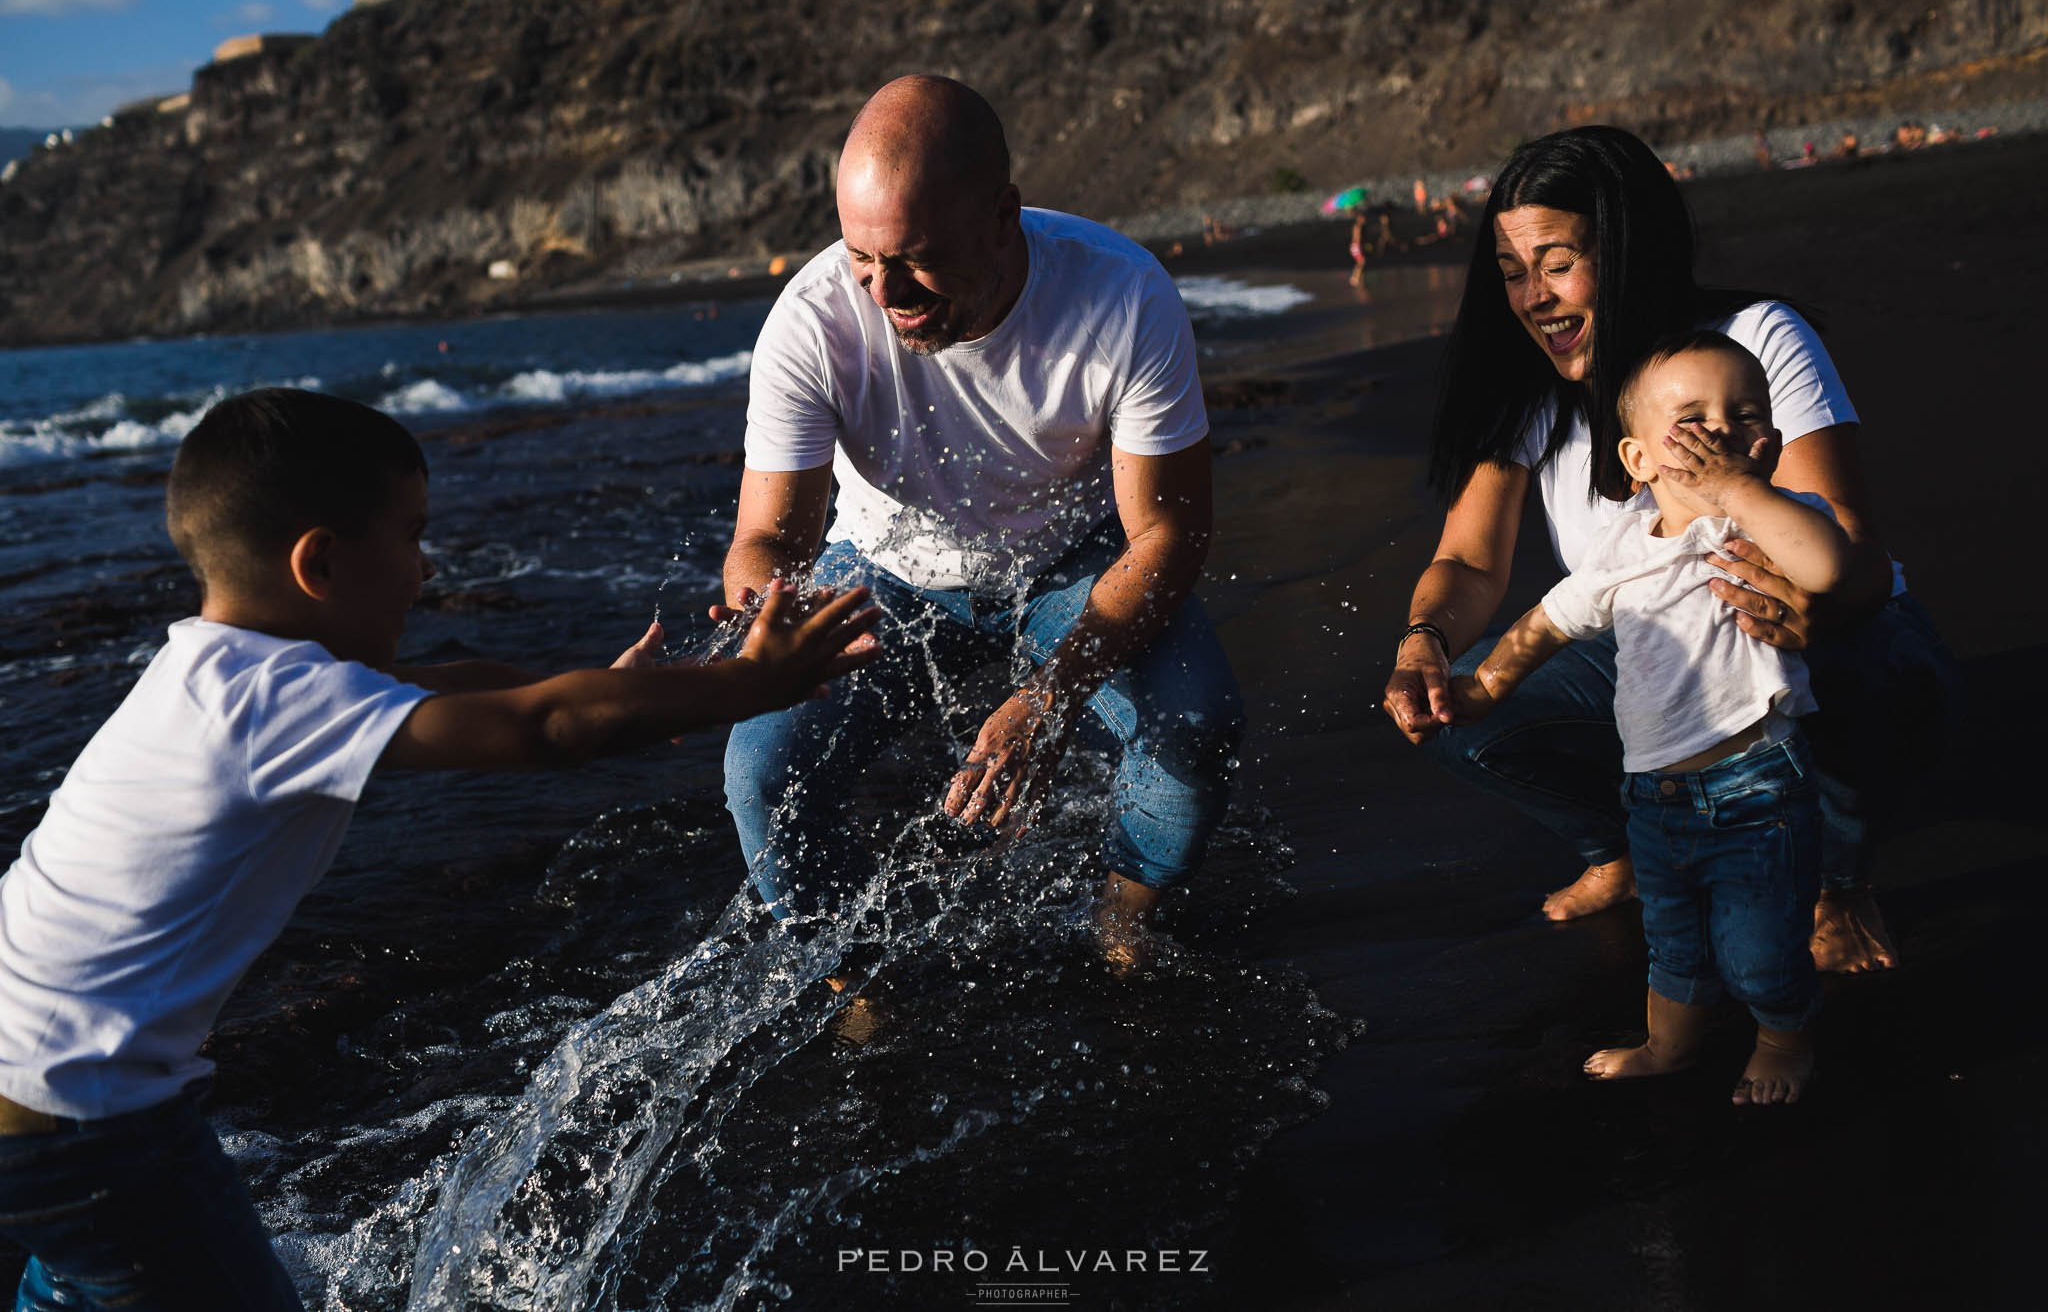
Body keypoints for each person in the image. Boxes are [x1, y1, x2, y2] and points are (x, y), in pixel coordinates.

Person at [0, 388, 881, 1311]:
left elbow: (473, 686)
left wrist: (631, 691)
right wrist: (749, 683)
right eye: (412, 535)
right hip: (91, 1121)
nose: (425, 569)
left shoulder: (217, 670)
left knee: (84, 1284)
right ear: (322, 562)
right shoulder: (281, 703)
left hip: (30, 1092)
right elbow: (546, 730)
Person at [1380, 126, 1960, 975]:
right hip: (1648, 643)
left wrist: (1816, 607)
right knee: (1468, 713)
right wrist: (1422, 639)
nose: (1534, 297)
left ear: (1627, 247)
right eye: (1512, 273)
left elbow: (1858, 550)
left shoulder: (1752, 340)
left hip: (1793, 621)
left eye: (1557, 262)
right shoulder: (1531, 391)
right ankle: (1622, 849)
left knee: (1866, 660)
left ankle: (1838, 879)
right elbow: (1468, 562)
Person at [718, 75, 1243, 956]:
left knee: (1197, 723)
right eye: (861, 257)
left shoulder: (1119, 294)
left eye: (916, 257)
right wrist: (764, 605)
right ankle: (847, 975)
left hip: (1073, 559)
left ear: (1004, 217)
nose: (885, 292)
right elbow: (767, 537)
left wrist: (1050, 695)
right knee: (760, 769)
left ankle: (1123, 918)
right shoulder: (813, 321)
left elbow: (1169, 533)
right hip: (888, 569)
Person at [1449, 332, 1849, 1104]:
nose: (1720, 431)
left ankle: (1783, 1037)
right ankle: (1669, 1045)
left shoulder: (1771, 520)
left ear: (1767, 442)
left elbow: (1828, 565)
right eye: (1691, 417)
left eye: (1743, 415)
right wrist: (1489, 684)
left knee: (1760, 950)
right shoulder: (1623, 544)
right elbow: (1552, 618)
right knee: (1674, 944)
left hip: (1758, 786)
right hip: (1653, 798)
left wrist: (1740, 490)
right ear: (1636, 460)